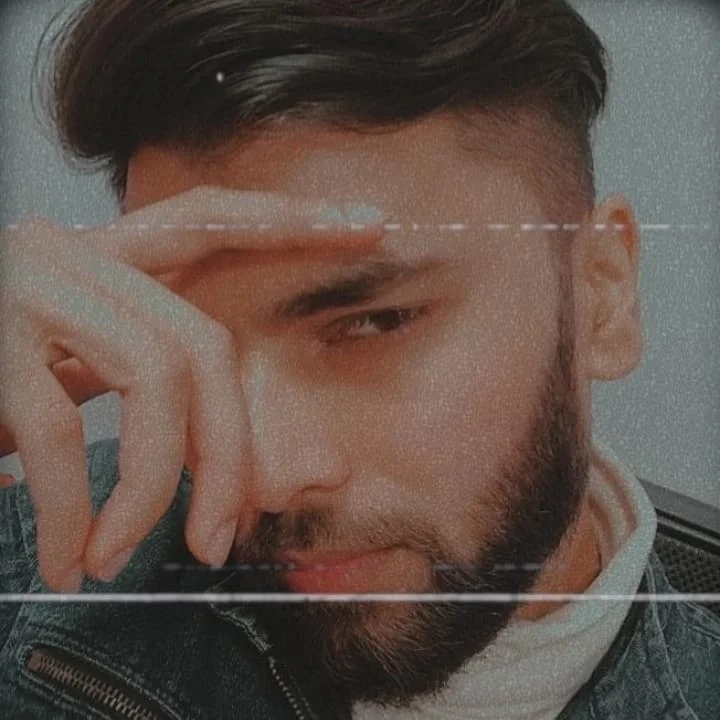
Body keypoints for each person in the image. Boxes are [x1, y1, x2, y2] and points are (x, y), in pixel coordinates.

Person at [0, 0, 718, 718]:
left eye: (374, 323)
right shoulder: (46, 562)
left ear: (601, 296)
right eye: (192, 344)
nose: (268, 478)